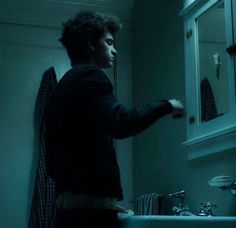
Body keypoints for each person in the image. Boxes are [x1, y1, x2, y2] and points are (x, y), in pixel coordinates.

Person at [45, 10, 184, 228]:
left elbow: (57, 160)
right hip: (89, 219)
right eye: (109, 42)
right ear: (91, 43)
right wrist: (167, 105)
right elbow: (122, 123)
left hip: (69, 212)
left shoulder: (63, 87)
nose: (115, 50)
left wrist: (102, 203)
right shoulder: (91, 76)